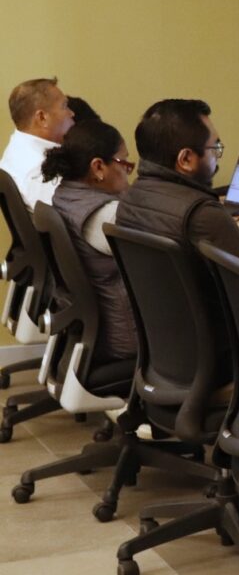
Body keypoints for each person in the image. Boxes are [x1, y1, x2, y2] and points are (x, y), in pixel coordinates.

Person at [115, 98, 239, 311]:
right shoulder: (202, 214)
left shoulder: (129, 199)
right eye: (215, 148)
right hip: (223, 331)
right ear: (185, 159)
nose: (217, 157)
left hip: (163, 329)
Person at [40, 120, 137, 362]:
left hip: (103, 329)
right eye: (124, 163)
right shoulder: (106, 217)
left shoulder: (66, 194)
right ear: (98, 167)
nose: (128, 172)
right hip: (127, 336)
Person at [1, 77, 75, 209]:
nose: (72, 113)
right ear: (42, 118)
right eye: (64, 106)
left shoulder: (17, 147)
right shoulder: (40, 173)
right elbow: (76, 212)